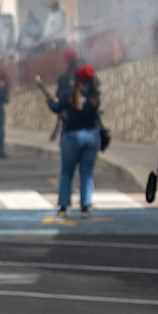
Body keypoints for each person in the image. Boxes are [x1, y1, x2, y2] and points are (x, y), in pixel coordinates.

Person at [48, 65, 101, 218]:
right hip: (92, 136)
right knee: (86, 173)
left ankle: (63, 207)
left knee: (66, 172)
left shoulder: (69, 96)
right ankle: (85, 207)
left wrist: (49, 102)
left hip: (72, 137)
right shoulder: (95, 95)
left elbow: (56, 108)